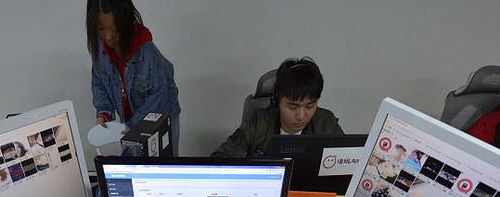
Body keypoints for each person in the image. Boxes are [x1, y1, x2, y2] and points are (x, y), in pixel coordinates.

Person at [87, 0, 181, 150]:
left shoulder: (148, 54)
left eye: (114, 29)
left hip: (162, 115)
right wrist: (104, 113)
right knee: (131, 160)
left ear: (125, 24)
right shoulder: (101, 50)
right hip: (130, 120)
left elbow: (160, 98)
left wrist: (133, 126)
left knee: (160, 164)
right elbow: (99, 81)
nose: (108, 36)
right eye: (101, 29)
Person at [212, 57, 344, 157]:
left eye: (310, 106)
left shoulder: (326, 123)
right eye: (292, 107)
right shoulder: (260, 123)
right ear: (277, 101)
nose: (301, 116)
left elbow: (348, 166)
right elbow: (220, 159)